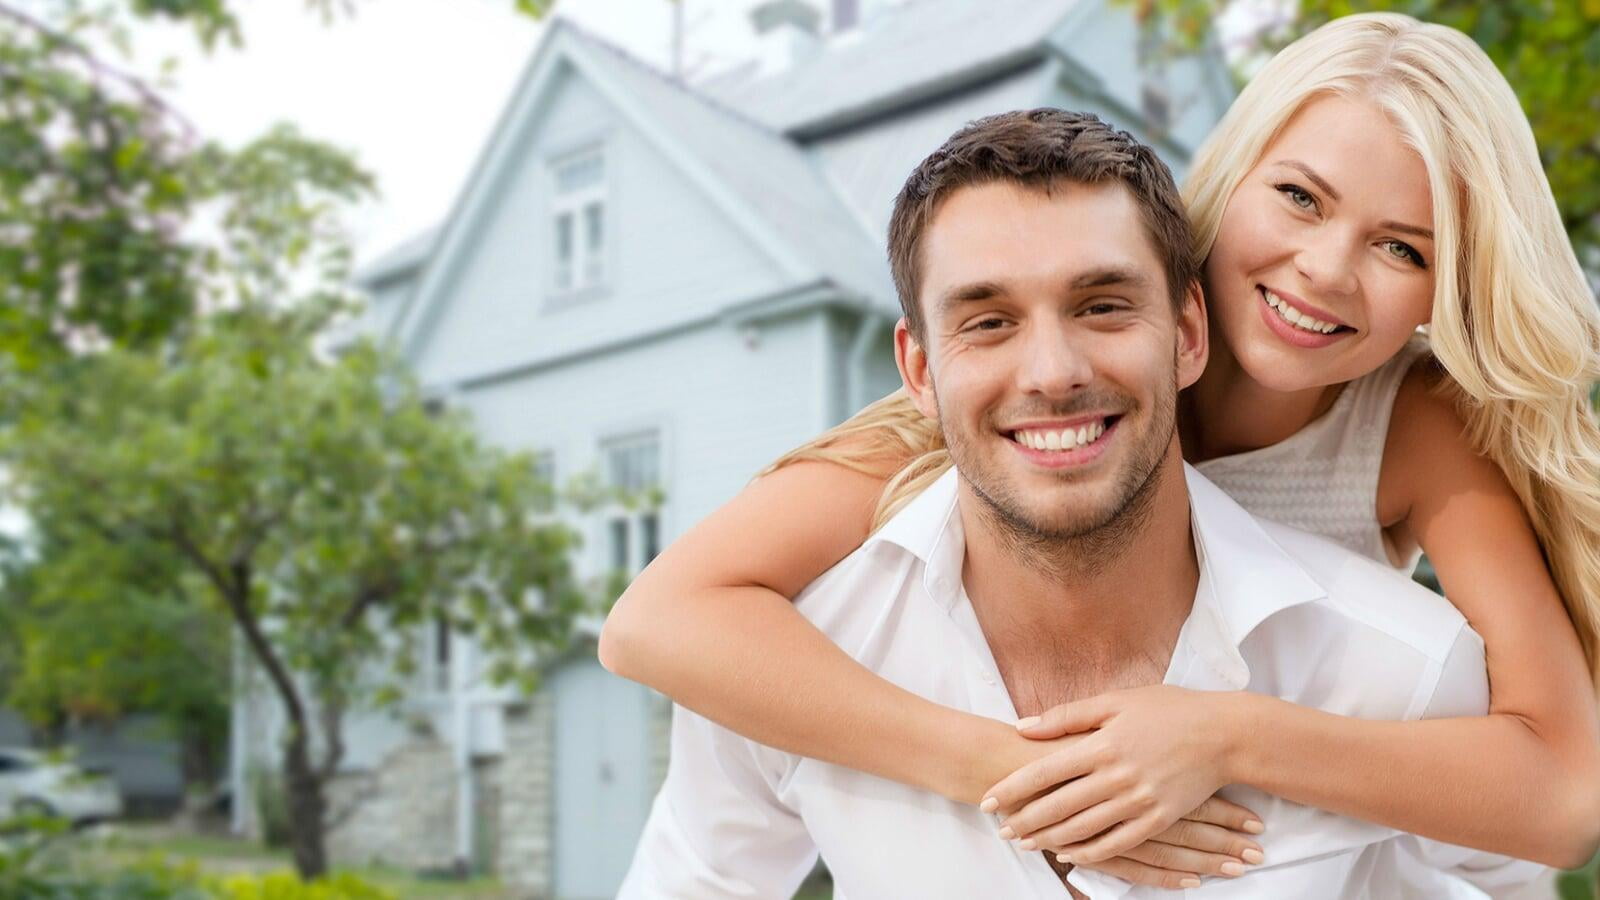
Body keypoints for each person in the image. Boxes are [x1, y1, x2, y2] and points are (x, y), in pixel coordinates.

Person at [602, 11, 1600, 888]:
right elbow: (656, 620)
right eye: (1298, 197)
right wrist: (1009, 772)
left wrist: (1223, 735)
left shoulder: (1413, 427)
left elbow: (1559, 795)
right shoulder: (1007, 409)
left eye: (1403, 249)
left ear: (1448, 290)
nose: (1325, 269)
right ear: (1232, 176)